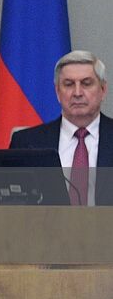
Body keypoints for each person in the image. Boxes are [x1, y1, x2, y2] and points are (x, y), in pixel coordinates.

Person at [9, 49, 113, 204]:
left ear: (103, 90)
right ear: (57, 91)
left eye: (86, 83)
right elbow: (9, 205)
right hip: (43, 227)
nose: (77, 93)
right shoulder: (26, 143)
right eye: (69, 84)